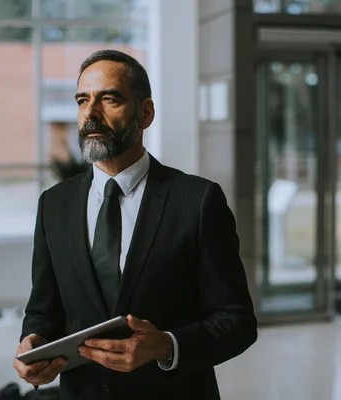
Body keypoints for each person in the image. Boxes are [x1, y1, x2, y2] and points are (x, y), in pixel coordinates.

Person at [13, 49, 257, 400]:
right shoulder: (54, 204)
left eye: (109, 99)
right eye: (83, 100)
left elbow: (237, 322)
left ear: (145, 113)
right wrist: (34, 341)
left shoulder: (198, 201)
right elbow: (43, 309)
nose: (91, 114)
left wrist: (165, 346)